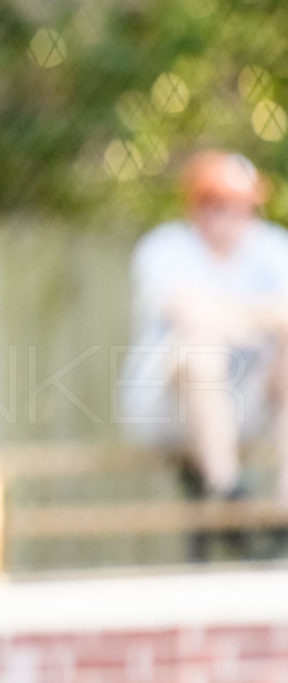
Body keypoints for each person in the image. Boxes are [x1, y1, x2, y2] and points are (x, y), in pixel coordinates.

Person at [118, 148, 288, 557]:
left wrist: (224, 316)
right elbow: (190, 315)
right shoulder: (165, 248)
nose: (230, 218)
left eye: (241, 207)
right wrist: (258, 318)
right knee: (201, 349)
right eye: (218, 206)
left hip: (243, 404)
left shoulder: (271, 247)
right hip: (166, 408)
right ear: (198, 207)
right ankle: (229, 497)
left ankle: (283, 515)